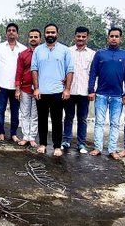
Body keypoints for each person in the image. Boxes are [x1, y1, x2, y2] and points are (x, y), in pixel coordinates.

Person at [30, 23, 75, 157]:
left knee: (57, 120)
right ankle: (43, 144)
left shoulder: (65, 50)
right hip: (42, 91)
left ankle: (56, 146)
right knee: (42, 119)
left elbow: (70, 70)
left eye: (52, 32)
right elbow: (34, 69)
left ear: (57, 34)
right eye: (48, 32)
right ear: (44, 34)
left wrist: (67, 89)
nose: (50, 35)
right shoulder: (38, 50)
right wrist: (36, 88)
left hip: (57, 91)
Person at [88, 27, 125, 158]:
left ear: (120, 38)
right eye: (111, 36)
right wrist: (91, 90)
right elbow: (93, 73)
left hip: (117, 96)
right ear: (108, 38)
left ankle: (112, 149)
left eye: (116, 36)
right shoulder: (100, 54)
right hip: (101, 94)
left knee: (115, 123)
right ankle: (97, 147)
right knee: (99, 122)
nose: (114, 38)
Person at [0, 22, 27, 142]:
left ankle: (13, 134)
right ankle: (1, 132)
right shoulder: (0, 47)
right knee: (0, 111)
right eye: (9, 30)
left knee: (15, 112)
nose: (11, 32)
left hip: (16, 87)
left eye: (13, 30)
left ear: (17, 33)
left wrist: (20, 87)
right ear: (6, 33)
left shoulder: (23, 49)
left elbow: (25, 70)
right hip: (1, 85)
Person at [62, 26, 95, 153]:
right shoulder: (68, 51)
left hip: (84, 91)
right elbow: (63, 70)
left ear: (87, 37)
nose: (81, 39)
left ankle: (81, 143)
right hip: (70, 90)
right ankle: (66, 141)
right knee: (68, 117)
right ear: (74, 37)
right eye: (78, 36)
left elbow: (93, 74)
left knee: (82, 118)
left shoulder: (92, 54)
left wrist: (92, 90)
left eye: (83, 36)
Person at [14, 28, 42, 147]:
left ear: (40, 39)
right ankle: (25, 136)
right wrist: (17, 89)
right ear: (28, 38)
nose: (33, 39)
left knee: (35, 115)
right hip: (25, 89)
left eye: (36, 37)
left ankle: (32, 137)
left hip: (39, 89)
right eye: (31, 37)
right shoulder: (23, 54)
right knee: (25, 114)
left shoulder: (43, 53)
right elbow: (19, 73)